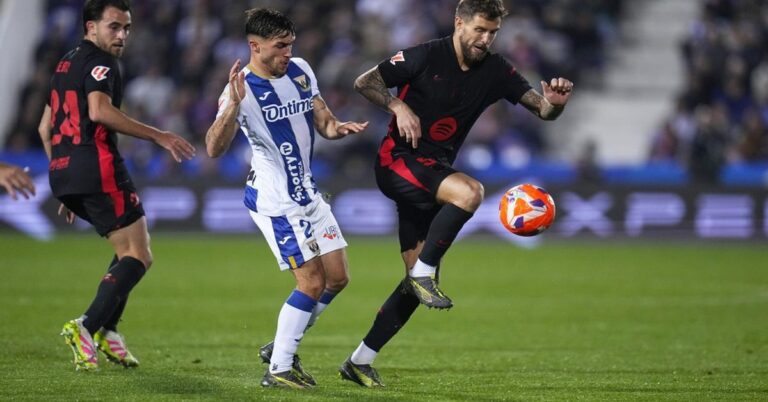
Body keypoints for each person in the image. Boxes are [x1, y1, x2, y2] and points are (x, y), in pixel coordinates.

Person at [339, 0, 574, 387]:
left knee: (413, 282)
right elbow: (364, 81)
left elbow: (543, 110)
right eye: (479, 30)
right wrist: (398, 106)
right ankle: (425, 273)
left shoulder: (496, 70)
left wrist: (557, 105)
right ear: (459, 23)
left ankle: (359, 361)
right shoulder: (424, 56)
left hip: (432, 174)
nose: (485, 39)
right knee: (469, 192)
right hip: (397, 162)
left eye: (492, 33)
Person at [205, 8, 368, 389]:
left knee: (338, 278)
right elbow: (213, 148)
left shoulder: (300, 70)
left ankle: (282, 343)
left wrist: (337, 128)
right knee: (310, 283)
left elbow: (323, 119)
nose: (287, 53)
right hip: (276, 199)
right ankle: (279, 367)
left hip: (307, 191)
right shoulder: (239, 89)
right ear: (255, 46)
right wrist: (233, 105)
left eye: (290, 44)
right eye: (280, 46)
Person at [37, 0, 195, 371]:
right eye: (114, 26)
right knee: (138, 255)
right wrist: (158, 135)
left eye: (126, 28)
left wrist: (64, 173)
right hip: (98, 165)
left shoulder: (64, 64)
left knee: (128, 247)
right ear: (90, 27)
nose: (122, 35)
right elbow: (99, 111)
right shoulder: (102, 62)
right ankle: (87, 326)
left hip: (64, 170)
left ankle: (108, 330)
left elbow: (45, 128)